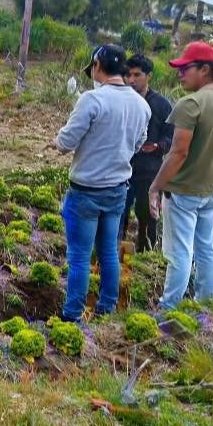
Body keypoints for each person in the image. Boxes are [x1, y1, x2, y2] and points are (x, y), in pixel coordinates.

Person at [52, 45, 151, 323]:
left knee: (80, 256)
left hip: (87, 190)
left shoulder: (92, 100)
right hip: (118, 187)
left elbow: (68, 141)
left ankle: (72, 315)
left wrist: (57, 141)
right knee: (108, 250)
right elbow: (139, 143)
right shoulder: (141, 105)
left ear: (97, 65)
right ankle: (107, 308)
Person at [149, 41, 213, 310]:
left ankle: (168, 310)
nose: (180, 74)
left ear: (204, 69)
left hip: (184, 192)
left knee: (179, 253)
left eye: (184, 68)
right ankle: (204, 307)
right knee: (207, 248)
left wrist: (155, 187)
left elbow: (178, 153)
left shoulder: (191, 103)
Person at [121, 54, 174, 252]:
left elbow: (172, 136)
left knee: (147, 215)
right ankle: (114, 251)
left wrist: (158, 146)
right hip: (123, 166)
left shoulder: (162, 105)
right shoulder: (123, 100)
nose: (131, 80)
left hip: (149, 170)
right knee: (119, 213)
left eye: (137, 75)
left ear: (149, 75)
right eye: (128, 75)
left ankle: (146, 253)